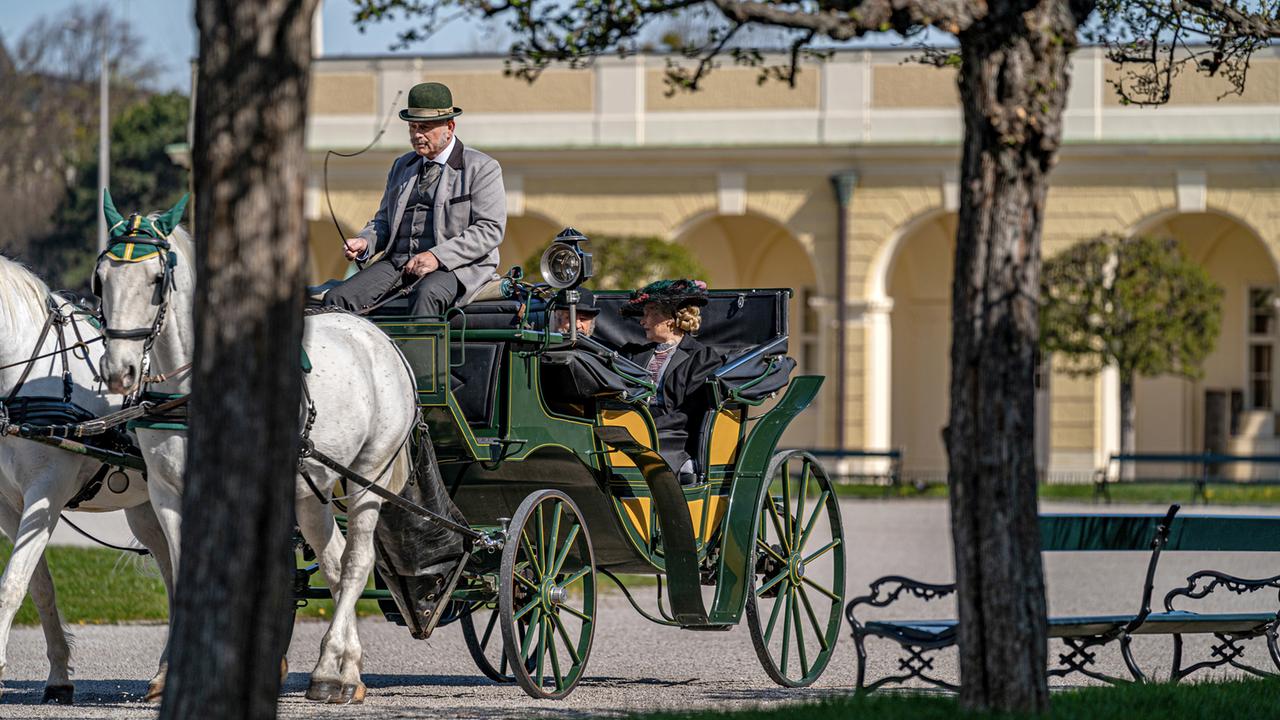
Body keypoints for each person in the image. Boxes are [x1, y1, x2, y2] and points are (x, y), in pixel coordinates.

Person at [323, 82, 506, 316]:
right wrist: (365, 242)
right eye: (413, 127)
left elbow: (489, 229)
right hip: (398, 264)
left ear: (450, 127)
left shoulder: (481, 167)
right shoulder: (402, 166)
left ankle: (423, 343)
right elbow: (384, 222)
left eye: (425, 127)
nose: (417, 134)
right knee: (337, 298)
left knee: (426, 295)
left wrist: (436, 256)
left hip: (456, 267)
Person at [620, 279, 722, 482]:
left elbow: (691, 412)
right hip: (630, 424)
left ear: (669, 319)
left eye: (649, 314)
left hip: (671, 436)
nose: (642, 321)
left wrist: (647, 425)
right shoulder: (633, 354)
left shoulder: (701, 358)